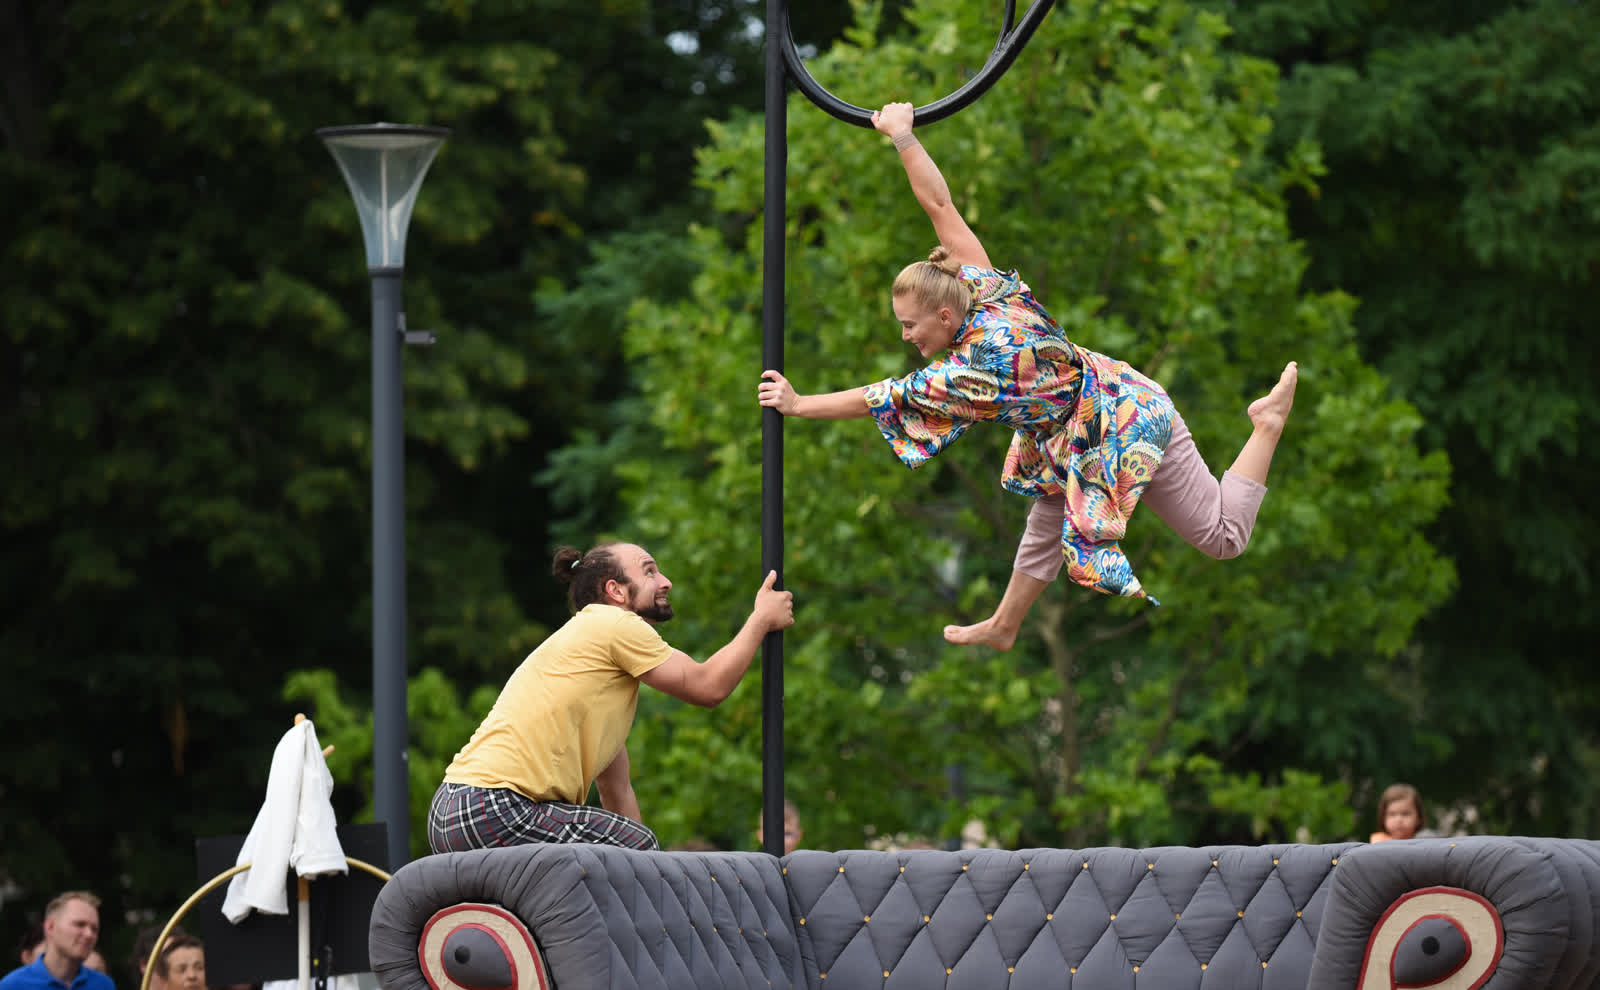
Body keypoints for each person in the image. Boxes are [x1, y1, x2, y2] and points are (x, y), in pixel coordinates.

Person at [757, 101, 1298, 648]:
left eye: (909, 326)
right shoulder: (985, 290)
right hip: (1088, 415)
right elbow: (940, 205)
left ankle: (1267, 425)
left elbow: (883, 397)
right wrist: (902, 135)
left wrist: (800, 405)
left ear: (944, 317)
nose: (906, 338)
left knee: (1224, 537)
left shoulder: (978, 371)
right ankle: (1005, 624)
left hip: (1123, 422)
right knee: (1046, 512)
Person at [428, 543, 795, 852]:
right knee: (637, 852)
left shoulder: (592, 673)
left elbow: (616, 792)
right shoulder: (614, 624)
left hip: (454, 809)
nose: (666, 582)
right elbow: (708, 686)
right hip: (496, 807)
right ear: (616, 591)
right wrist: (760, 619)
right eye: (649, 572)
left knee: (630, 856)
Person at [0, 891, 114, 990]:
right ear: (50, 927)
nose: (89, 934)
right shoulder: (14, 985)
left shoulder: (103, 985)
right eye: (79, 924)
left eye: (94, 929)